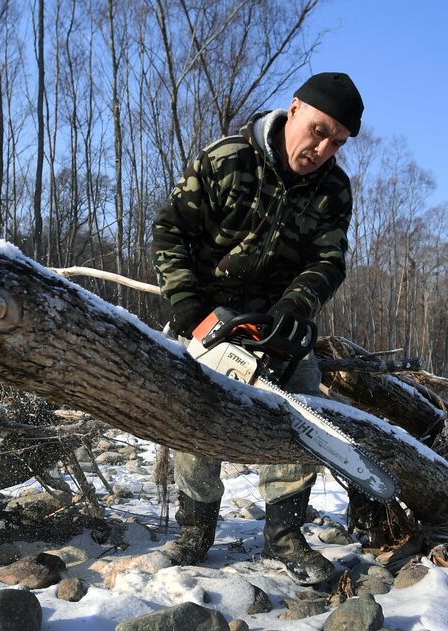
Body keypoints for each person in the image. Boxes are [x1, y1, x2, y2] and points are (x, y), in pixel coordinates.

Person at [151, 71, 364, 585]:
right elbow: (170, 230)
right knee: (194, 415)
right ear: (294, 110)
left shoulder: (333, 188)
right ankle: (195, 529)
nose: (321, 148)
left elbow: (329, 259)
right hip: (210, 310)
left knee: (301, 409)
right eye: (318, 130)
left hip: (276, 316)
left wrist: (297, 305)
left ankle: (285, 533)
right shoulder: (228, 158)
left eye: (336, 142)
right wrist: (188, 308)